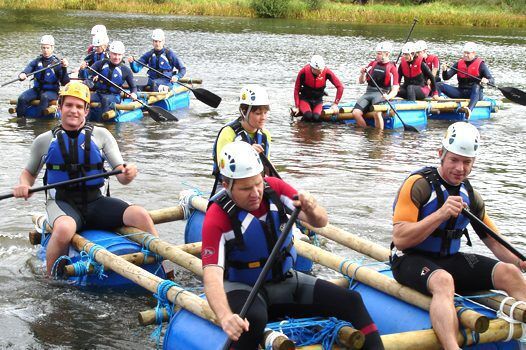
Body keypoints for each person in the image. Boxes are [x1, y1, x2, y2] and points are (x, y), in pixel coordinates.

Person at [202, 141, 384, 349]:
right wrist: (226, 317)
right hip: (244, 289)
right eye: (245, 188)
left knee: (352, 300)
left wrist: (312, 208)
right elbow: (212, 278)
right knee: (252, 321)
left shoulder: (274, 188)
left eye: (257, 183)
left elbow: (321, 222)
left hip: (285, 282)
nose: (255, 193)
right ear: (226, 185)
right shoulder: (216, 218)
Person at [391, 122, 526, 350]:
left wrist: (520, 261)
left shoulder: (471, 196)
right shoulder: (418, 185)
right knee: (443, 280)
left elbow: (493, 240)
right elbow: (401, 238)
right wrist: (440, 214)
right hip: (409, 259)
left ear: (473, 163)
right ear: (441, 155)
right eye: (454, 160)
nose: (459, 168)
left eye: (466, 162)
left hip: (448, 261)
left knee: (510, 272)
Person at [12, 81, 159, 276]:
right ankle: (51, 279)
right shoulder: (44, 140)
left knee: (140, 214)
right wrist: (24, 185)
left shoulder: (101, 135)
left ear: (87, 110)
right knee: (65, 228)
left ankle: (162, 266)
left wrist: (128, 173)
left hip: (95, 201)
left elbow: (121, 175)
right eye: (69, 105)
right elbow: (29, 174)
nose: (74, 110)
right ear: (60, 106)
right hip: (63, 203)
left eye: (79, 106)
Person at [210, 85, 272, 196]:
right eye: (258, 113)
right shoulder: (228, 133)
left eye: (265, 113)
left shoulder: (265, 135)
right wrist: (248, 153)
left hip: (256, 185)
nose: (263, 117)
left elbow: (266, 168)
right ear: (244, 111)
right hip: (230, 186)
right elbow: (223, 168)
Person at [16, 35, 70, 118]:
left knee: (44, 97)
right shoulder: (37, 61)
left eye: (47, 48)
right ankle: (20, 121)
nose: (45, 50)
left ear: (52, 48)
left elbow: (65, 82)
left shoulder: (57, 63)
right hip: (37, 90)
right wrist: (22, 74)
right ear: (41, 48)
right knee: (22, 98)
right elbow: (28, 69)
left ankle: (38, 122)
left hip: (52, 92)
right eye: (43, 48)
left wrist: (64, 68)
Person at [439, 42, 494, 119]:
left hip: (475, 94)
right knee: (439, 85)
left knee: (476, 86)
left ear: (473, 53)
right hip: (461, 92)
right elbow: (446, 77)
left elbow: (492, 80)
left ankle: (469, 110)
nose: (465, 55)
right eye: (464, 53)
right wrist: (444, 70)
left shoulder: (481, 65)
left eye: (468, 53)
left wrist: (487, 81)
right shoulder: (459, 63)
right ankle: (437, 106)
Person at [353, 41, 399, 130]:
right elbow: (361, 81)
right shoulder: (372, 64)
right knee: (356, 113)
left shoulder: (392, 68)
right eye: (377, 53)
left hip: (381, 94)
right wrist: (362, 74)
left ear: (387, 54)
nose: (377, 55)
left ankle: (379, 137)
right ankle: (366, 131)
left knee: (376, 113)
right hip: (368, 93)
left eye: (379, 54)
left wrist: (388, 96)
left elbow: (395, 89)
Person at [88, 41, 137, 114]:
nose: (116, 57)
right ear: (110, 53)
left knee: (106, 99)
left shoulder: (126, 70)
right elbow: (89, 72)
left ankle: (104, 121)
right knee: (84, 97)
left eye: (119, 55)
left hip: (114, 96)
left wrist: (134, 94)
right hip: (99, 94)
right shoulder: (101, 63)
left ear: (122, 55)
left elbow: (133, 87)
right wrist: (93, 76)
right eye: (114, 54)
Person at [293, 55, 344, 122]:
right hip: (305, 99)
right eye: (318, 70)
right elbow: (296, 89)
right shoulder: (303, 72)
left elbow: (340, 87)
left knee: (316, 118)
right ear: (312, 68)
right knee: (308, 116)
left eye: (321, 70)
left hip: (318, 100)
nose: (320, 72)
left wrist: (335, 104)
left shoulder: (326, 72)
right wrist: (297, 106)